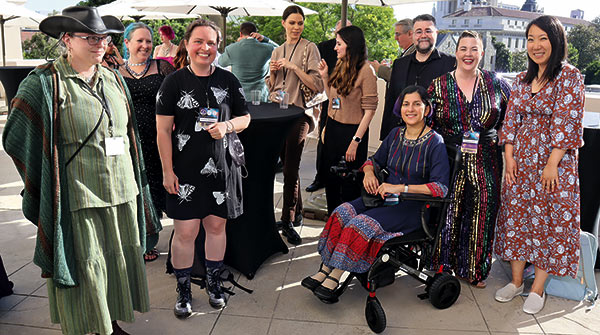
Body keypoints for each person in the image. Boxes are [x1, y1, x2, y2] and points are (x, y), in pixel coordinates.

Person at [2, 6, 160, 335]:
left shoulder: (114, 77)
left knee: (116, 266)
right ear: (67, 40)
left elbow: (128, 135)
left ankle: (110, 325)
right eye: (89, 37)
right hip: (80, 198)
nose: (99, 43)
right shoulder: (45, 83)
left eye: (103, 37)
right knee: (86, 269)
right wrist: (46, 176)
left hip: (122, 194)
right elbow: (14, 134)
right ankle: (87, 329)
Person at [301, 85, 450, 303]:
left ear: (427, 109)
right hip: (383, 199)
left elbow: (440, 188)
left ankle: (337, 275)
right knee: (341, 212)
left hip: (412, 208)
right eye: (406, 104)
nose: (411, 109)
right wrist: (369, 173)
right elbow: (373, 161)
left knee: (359, 224)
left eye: (417, 104)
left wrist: (400, 188)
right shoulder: (395, 134)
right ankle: (325, 268)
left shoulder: (435, 142)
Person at [156, 19, 251, 316]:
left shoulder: (228, 80)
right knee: (185, 231)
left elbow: (245, 118)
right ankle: (183, 289)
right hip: (184, 171)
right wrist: (167, 172)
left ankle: (213, 282)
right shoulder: (173, 82)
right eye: (198, 41)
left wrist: (227, 125)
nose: (205, 48)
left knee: (216, 226)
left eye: (211, 43)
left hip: (221, 170)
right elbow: (162, 132)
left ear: (218, 47)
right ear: (186, 43)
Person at [494, 15, 585, 315]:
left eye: (542, 38)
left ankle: (538, 288)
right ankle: (517, 281)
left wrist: (552, 164)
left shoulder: (569, 77)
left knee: (548, 222)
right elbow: (510, 121)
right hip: (520, 162)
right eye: (531, 39)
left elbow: (568, 121)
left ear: (556, 40)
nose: (535, 45)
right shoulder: (521, 79)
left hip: (553, 164)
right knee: (517, 218)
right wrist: (509, 158)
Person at [427, 31, 511, 288]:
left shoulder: (498, 84)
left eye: (474, 49)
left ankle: (474, 270)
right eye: (463, 48)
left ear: (482, 54)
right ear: (456, 52)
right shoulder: (438, 85)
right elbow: (426, 124)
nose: (468, 54)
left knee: (483, 212)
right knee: (449, 211)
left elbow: (511, 121)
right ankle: (443, 267)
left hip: (488, 159)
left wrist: (505, 143)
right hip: (449, 158)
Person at [267, 5, 323, 245]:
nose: (297, 27)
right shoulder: (277, 51)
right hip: (280, 112)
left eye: (300, 23)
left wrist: (294, 68)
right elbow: (272, 88)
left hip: (301, 113)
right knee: (287, 165)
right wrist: (272, 73)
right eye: (292, 23)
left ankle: (288, 220)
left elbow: (317, 85)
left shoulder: (310, 48)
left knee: (290, 168)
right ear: (283, 24)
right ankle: (297, 211)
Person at [120, 22, 176, 262]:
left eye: (149, 41)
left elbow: (179, 94)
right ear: (127, 43)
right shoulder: (115, 72)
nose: (145, 45)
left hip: (161, 138)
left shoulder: (162, 67)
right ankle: (146, 241)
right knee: (139, 190)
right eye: (139, 41)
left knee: (166, 186)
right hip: (131, 141)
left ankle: (183, 236)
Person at [317, 25, 377, 214]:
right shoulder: (341, 64)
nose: (335, 48)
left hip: (352, 133)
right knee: (331, 180)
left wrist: (355, 141)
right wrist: (325, 77)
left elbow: (369, 111)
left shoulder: (367, 71)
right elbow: (332, 98)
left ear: (350, 45)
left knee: (349, 184)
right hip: (333, 128)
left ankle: (348, 226)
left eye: (339, 44)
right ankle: (332, 222)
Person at [380, 14, 455, 141]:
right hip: (401, 136)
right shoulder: (400, 64)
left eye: (428, 31)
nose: (423, 35)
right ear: (413, 35)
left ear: (436, 33)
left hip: (435, 140)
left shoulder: (450, 64)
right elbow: (391, 101)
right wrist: (386, 137)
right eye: (419, 31)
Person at [306, 19, 351, 194]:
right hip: (329, 100)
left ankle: (342, 180)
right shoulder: (324, 47)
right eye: (340, 31)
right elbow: (317, 72)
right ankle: (321, 178)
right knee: (324, 140)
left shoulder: (356, 52)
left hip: (349, 106)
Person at [218, 22, 278, 102]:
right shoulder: (267, 48)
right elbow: (281, 51)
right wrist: (265, 39)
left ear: (240, 33)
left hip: (239, 97)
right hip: (261, 97)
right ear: (255, 33)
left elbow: (221, 62)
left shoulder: (231, 49)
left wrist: (237, 44)